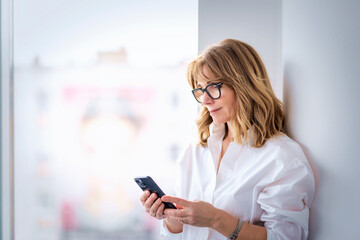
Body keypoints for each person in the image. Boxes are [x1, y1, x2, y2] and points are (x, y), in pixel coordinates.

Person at [139, 39, 315, 240]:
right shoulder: (195, 151)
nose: (205, 100)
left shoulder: (281, 157)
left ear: (244, 85)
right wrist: (170, 218)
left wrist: (216, 219)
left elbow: (285, 237)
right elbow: (183, 233)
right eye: (201, 89)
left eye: (214, 87)